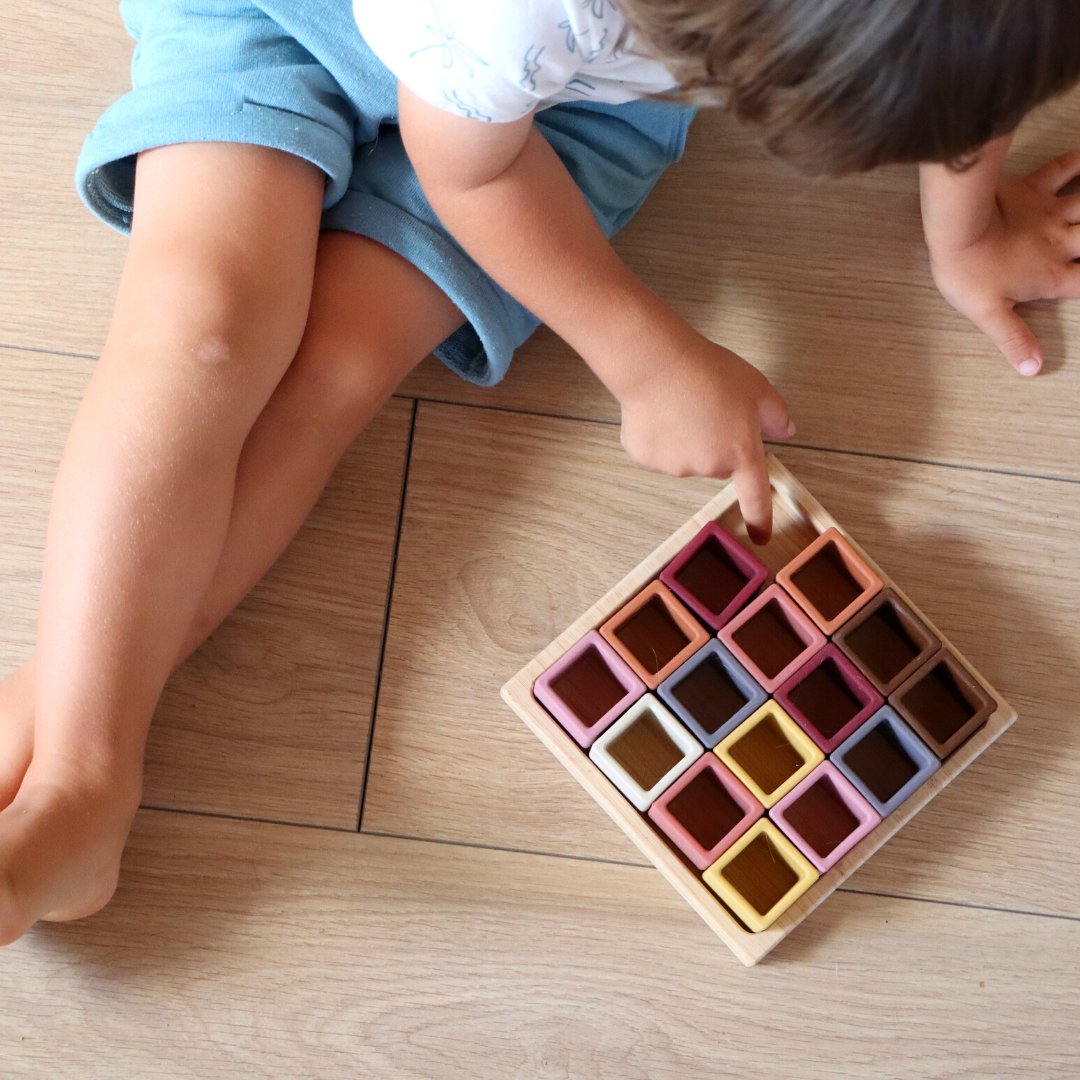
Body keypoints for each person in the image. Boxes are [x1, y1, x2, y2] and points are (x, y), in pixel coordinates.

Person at [1, 0, 1078, 945]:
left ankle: (61, 738)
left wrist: (967, 231)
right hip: (294, 22)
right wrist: (649, 360)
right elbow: (469, 165)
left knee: (331, 375)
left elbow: (961, 57)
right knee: (204, 334)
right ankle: (85, 781)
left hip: (570, 114)